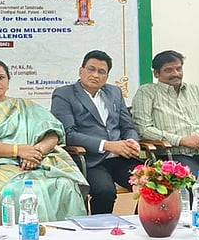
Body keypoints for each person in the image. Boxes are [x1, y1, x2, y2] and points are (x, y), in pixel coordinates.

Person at [0, 59, 88, 222]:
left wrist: (36, 152)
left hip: (35, 162)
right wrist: (17, 151)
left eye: (1, 77)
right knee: (26, 190)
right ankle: (27, 234)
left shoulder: (23, 105)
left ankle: (66, 235)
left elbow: (52, 134)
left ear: (8, 81)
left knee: (65, 185)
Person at [131, 50, 199, 206]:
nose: (176, 73)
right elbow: (143, 129)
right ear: (156, 73)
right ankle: (193, 220)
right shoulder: (147, 92)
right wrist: (181, 140)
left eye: (178, 68)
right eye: (168, 70)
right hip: (174, 155)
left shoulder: (195, 91)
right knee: (191, 184)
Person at [51, 50, 142, 214]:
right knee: (105, 192)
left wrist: (132, 141)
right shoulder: (64, 94)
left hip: (121, 158)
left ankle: (142, 223)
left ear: (107, 77)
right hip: (90, 159)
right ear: (81, 71)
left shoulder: (114, 92)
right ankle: (100, 228)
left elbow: (127, 127)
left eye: (101, 72)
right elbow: (68, 134)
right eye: (91, 69)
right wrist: (107, 145)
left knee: (152, 183)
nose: (95, 75)